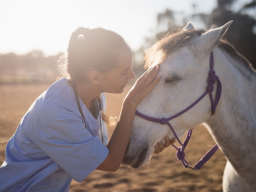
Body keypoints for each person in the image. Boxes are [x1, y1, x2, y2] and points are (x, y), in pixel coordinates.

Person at [0, 27, 174, 191]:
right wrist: (131, 102)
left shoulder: (95, 97)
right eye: (124, 72)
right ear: (95, 77)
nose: (132, 76)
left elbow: (105, 151)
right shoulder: (57, 113)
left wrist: (147, 144)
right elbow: (111, 163)